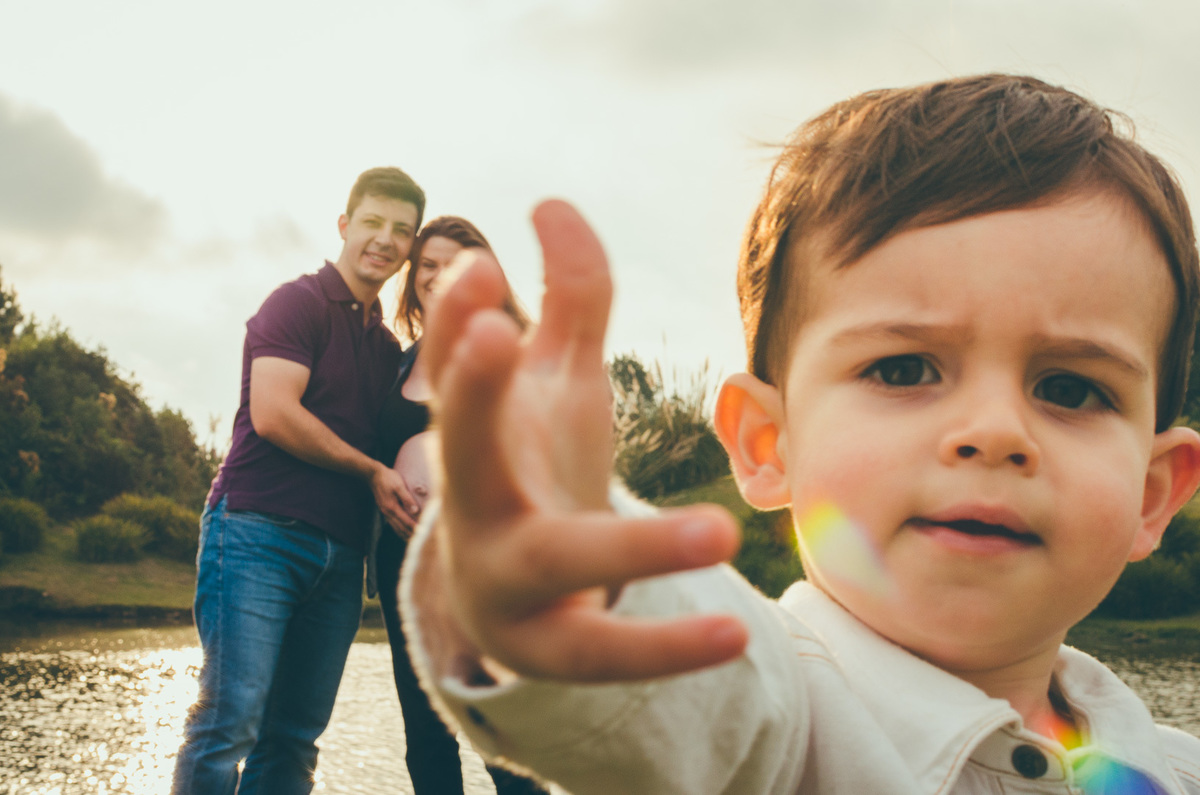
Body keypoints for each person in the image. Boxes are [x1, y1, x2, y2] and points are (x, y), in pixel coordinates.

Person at [398, 74, 1200, 794]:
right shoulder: (779, 721)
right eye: (904, 369)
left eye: (1069, 388)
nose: (994, 431)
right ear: (767, 444)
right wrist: (572, 583)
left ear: (1151, 493)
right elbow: (686, 692)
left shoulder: (1176, 768)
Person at [172, 166, 426, 794]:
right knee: (228, 722)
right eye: (372, 222)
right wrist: (370, 470)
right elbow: (274, 414)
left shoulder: (387, 349)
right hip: (257, 534)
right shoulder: (297, 303)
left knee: (293, 740)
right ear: (344, 225)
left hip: (341, 561)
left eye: (401, 230)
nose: (384, 239)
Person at [372, 216, 548, 795]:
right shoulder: (400, 363)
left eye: (455, 265)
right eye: (428, 264)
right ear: (413, 277)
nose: (438, 275)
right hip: (403, 567)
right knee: (425, 731)